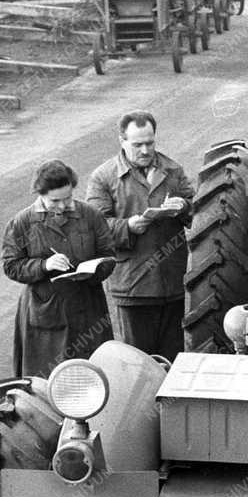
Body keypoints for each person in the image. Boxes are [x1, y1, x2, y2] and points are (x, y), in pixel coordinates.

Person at [85, 111, 195, 359]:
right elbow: (93, 228)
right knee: (137, 362)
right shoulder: (103, 177)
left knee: (172, 359)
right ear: (122, 141)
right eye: (138, 145)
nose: (146, 150)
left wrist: (185, 207)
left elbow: (199, 211)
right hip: (133, 288)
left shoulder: (172, 170)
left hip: (171, 284)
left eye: (150, 143)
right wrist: (127, 227)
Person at [2, 159, 116, 378]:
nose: (63, 206)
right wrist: (44, 265)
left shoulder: (90, 216)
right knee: (47, 384)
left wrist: (93, 270)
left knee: (92, 379)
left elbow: (109, 254)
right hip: (45, 318)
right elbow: (11, 265)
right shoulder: (23, 223)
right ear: (40, 194)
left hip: (88, 311)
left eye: (68, 198)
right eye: (56, 200)